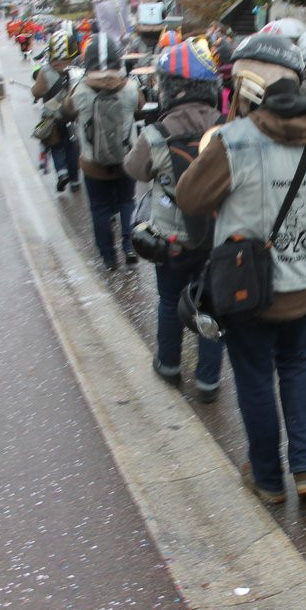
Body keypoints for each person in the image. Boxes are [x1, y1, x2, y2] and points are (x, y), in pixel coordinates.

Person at [175, 33, 306, 504]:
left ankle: (268, 478)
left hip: (248, 288)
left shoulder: (233, 140)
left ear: (245, 82)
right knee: (297, 365)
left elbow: (190, 199)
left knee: (255, 377)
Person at [124, 38, 225, 402]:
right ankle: (208, 380)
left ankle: (168, 365)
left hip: (172, 239)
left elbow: (134, 170)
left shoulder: (157, 133)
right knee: (211, 304)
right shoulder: (229, 127)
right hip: (218, 236)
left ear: (171, 87)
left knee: (169, 300)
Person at [61, 33, 141, 271]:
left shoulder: (81, 91)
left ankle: (108, 256)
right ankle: (129, 246)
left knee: (100, 208)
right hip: (126, 160)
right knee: (127, 202)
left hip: (93, 164)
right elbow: (140, 108)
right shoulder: (130, 89)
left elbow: (67, 111)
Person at [32, 30, 81, 193]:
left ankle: (61, 173)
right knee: (72, 148)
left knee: (56, 146)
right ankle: (75, 181)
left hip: (52, 117)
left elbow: (36, 92)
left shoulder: (45, 71)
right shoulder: (77, 69)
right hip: (71, 116)